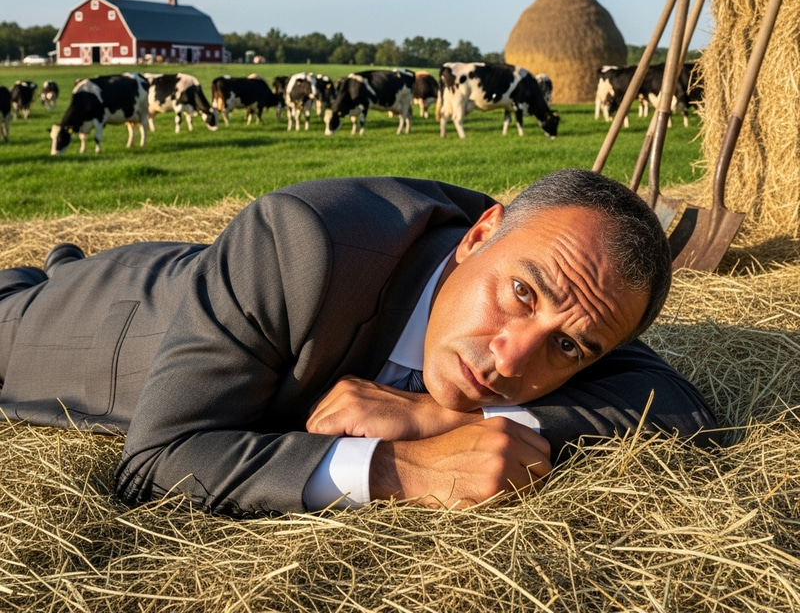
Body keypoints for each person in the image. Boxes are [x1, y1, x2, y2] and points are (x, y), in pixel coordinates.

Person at [0, 169, 715, 516]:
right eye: (522, 294)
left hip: (218, 281)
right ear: (478, 236)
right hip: (98, 322)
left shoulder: (579, 300)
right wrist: (404, 468)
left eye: (571, 350)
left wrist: (440, 416)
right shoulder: (303, 240)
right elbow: (155, 463)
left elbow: (679, 406)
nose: (510, 359)